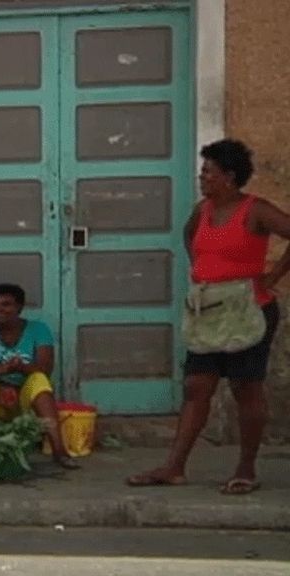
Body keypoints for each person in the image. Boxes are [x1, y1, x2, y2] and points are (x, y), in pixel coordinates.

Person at [128, 139, 290, 494]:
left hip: (248, 310)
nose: (201, 178)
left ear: (229, 176)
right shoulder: (202, 210)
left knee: (245, 389)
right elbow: (189, 236)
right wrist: (203, 271)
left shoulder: (256, 210)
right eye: (202, 172)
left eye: (208, 172)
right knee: (196, 387)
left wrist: (273, 276)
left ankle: (246, 468)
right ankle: (174, 467)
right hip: (207, 310)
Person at [0, 283, 78, 469]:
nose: (0, 310)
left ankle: (59, 451)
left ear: (19, 307)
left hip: (24, 403)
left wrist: (20, 368)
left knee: (39, 379)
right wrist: (3, 370)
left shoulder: (38, 329)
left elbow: (45, 367)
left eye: (6, 304)